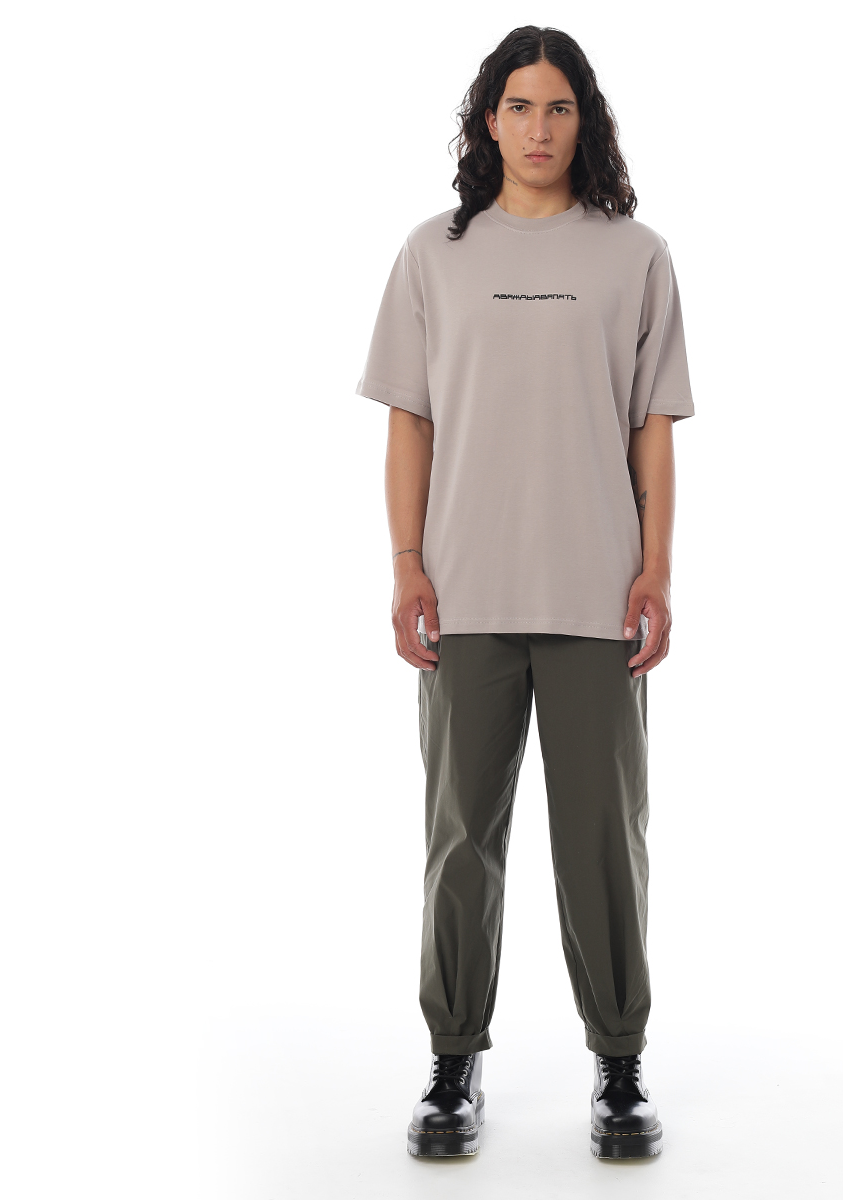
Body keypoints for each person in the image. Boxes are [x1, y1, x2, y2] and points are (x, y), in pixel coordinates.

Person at [355, 25, 694, 1160]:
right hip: (466, 594)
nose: (537, 128)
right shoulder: (432, 255)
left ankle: (619, 1066)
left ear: (583, 121)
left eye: (558, 107)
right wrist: (406, 564)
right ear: (486, 120)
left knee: (603, 842)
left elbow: (653, 429)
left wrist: (656, 567)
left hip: (597, 595)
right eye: (517, 106)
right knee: (460, 840)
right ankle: (452, 1065)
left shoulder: (635, 256)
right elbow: (409, 422)